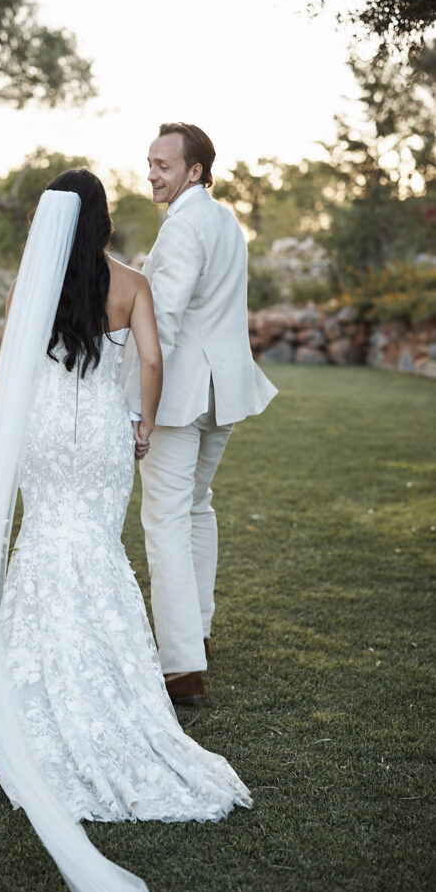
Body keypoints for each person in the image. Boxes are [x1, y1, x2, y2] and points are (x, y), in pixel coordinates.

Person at [0, 170, 251, 892]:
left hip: (44, 429)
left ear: (48, 224)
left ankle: (38, 676)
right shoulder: (129, 282)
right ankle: (115, 678)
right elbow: (150, 361)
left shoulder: (36, 282)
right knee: (96, 549)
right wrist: (143, 423)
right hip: (98, 433)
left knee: (45, 541)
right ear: (104, 219)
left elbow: (1, 367)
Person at [121, 123, 278, 706]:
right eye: (149, 162)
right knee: (195, 507)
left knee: (164, 521)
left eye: (163, 165)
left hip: (182, 396)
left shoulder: (185, 227)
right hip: (223, 391)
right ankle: (200, 633)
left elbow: (160, 320)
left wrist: (141, 404)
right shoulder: (224, 220)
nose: (151, 174)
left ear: (195, 171)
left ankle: (181, 666)